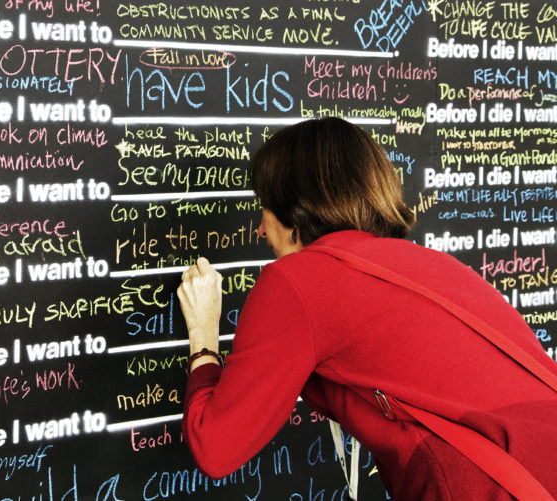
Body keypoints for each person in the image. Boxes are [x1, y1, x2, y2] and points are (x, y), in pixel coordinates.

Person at [177, 117, 557, 500]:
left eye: (265, 207)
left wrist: (204, 335)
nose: (259, 229)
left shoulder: (297, 279)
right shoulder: (430, 263)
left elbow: (216, 448)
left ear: (295, 210)